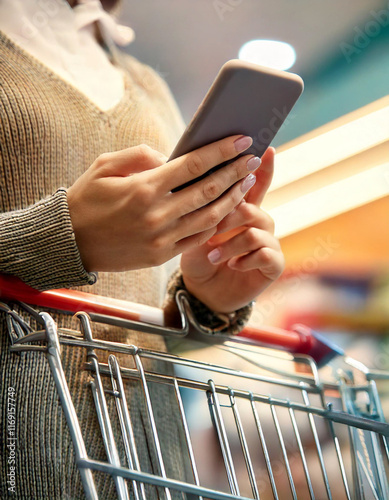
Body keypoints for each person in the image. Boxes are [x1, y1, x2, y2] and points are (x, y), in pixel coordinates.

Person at [0, 0, 284, 498]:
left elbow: (171, 337)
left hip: (154, 464)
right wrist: (60, 235)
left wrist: (203, 299)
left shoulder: (150, 88)